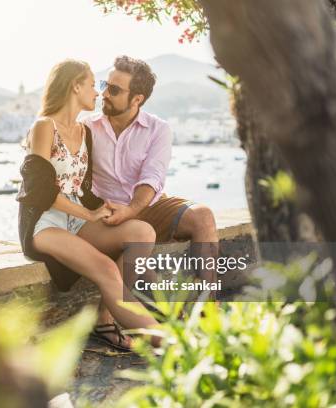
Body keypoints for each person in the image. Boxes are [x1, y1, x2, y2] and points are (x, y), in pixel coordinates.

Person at [17, 59, 161, 350]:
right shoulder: (44, 127)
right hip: (46, 222)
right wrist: (88, 213)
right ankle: (170, 343)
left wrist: (106, 208)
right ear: (76, 86)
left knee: (142, 232)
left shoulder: (85, 133)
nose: (99, 93)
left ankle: (109, 312)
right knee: (107, 269)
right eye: (94, 85)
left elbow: (82, 188)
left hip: (77, 220)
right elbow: (39, 192)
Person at [82, 55, 219, 311]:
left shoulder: (158, 129)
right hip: (106, 211)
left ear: (137, 99)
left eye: (114, 90)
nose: (104, 94)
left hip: (147, 205)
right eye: (104, 85)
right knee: (140, 243)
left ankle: (208, 307)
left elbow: (152, 178)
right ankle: (111, 316)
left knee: (204, 216)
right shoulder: (87, 127)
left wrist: (131, 210)